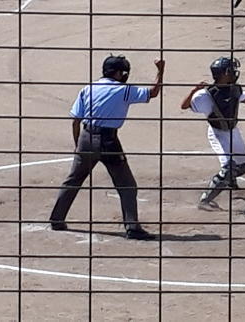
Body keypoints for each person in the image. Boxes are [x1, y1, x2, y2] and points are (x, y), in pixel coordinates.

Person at [49, 55, 165, 241]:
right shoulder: (123, 90)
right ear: (118, 73)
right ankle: (132, 228)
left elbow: (76, 120)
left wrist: (79, 146)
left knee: (73, 180)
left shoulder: (89, 88)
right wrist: (160, 71)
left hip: (86, 137)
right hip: (108, 140)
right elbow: (153, 92)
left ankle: (56, 219)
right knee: (127, 185)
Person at [181, 56, 245, 208]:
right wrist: (194, 90)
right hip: (217, 134)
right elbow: (184, 106)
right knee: (228, 168)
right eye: (231, 70)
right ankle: (205, 200)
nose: (235, 73)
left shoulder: (234, 88)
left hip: (233, 131)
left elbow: (243, 98)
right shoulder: (206, 95)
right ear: (224, 73)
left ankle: (229, 180)